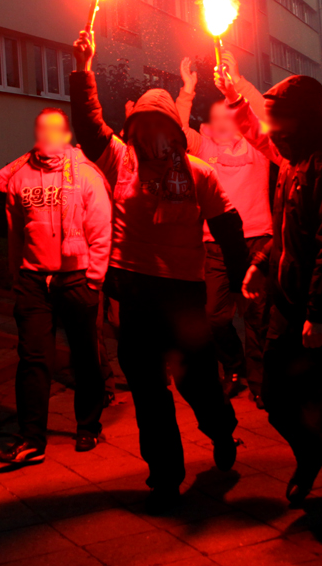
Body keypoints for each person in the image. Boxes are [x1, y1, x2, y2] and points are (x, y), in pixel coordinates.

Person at [69, 29, 250, 514]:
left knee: (196, 384)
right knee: (149, 391)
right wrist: (83, 69)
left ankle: (221, 430)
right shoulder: (120, 161)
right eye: (142, 126)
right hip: (136, 294)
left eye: (159, 127)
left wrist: (244, 275)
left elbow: (228, 228)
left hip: (184, 298)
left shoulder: (197, 172)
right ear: (134, 130)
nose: (150, 136)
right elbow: (88, 128)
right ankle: (166, 476)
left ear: (173, 129)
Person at [229, 71, 322, 554]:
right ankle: (312, 449)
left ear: (305, 120)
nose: (271, 130)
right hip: (289, 310)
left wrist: (321, 314)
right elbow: (286, 234)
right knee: (273, 394)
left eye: (279, 119)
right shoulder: (292, 166)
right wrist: (259, 265)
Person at [0, 108, 112, 464]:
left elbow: (102, 231)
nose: (47, 135)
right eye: (41, 127)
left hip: (76, 277)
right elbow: (15, 231)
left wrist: (94, 280)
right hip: (32, 280)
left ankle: (88, 425)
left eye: (55, 128)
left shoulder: (86, 174)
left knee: (85, 355)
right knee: (32, 358)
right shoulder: (19, 176)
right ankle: (31, 439)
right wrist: (16, 273)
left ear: (66, 133)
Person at [175, 53, 272, 404]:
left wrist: (237, 82)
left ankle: (262, 381)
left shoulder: (257, 147)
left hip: (256, 239)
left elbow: (262, 115)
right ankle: (234, 366)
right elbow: (175, 132)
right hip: (214, 243)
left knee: (258, 317)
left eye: (228, 114)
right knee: (214, 317)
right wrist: (187, 91)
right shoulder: (205, 147)